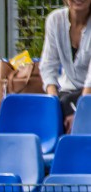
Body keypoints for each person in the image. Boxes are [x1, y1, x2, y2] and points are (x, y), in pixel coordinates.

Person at [41, 0, 91, 132]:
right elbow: (48, 66)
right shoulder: (55, 20)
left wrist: (82, 113)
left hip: (87, 93)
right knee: (56, 108)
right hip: (69, 92)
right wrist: (54, 105)